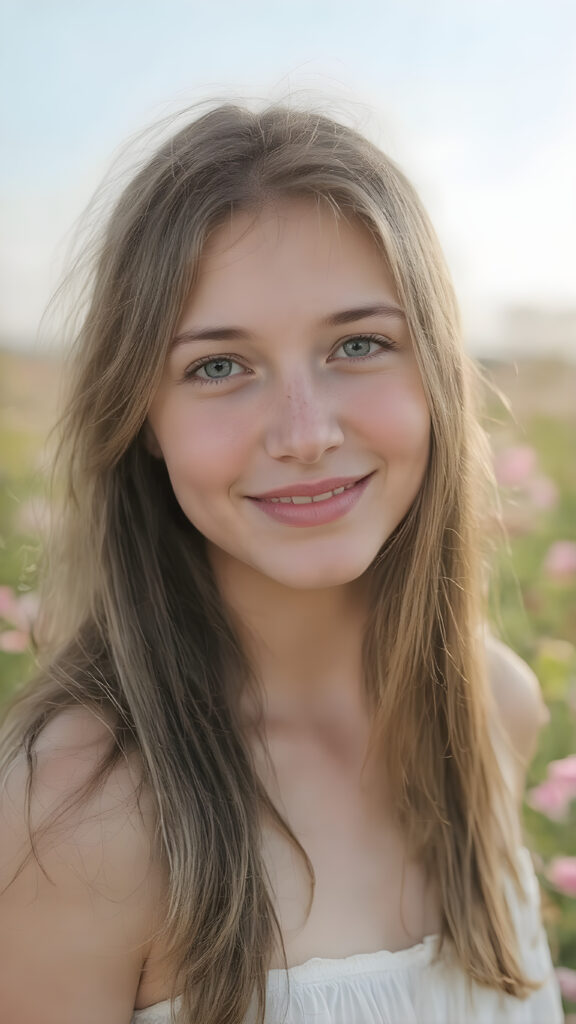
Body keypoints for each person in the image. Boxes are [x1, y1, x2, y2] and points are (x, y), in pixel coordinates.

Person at [0, 102, 563, 1024]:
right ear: (140, 417)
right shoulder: (73, 820)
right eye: (219, 367)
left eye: (360, 345)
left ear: (438, 380)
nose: (305, 435)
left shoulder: (492, 710)